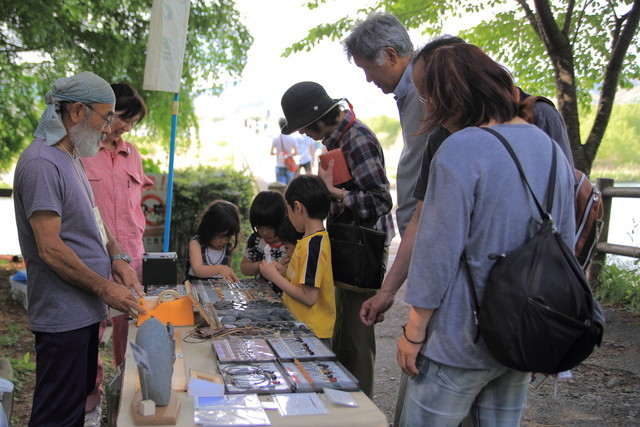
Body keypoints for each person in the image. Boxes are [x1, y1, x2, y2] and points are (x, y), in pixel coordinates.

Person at [396, 42, 576, 426]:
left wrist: (414, 332)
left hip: (459, 341)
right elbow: (565, 242)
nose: (428, 108)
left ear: (452, 97)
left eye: (430, 97)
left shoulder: (461, 149)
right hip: (519, 333)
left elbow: (436, 252)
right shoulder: (548, 146)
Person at [13, 71, 146, 427]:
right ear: (76, 112)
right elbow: (50, 248)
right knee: (56, 415)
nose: (107, 129)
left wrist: (117, 255)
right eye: (105, 118)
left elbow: (94, 216)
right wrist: (105, 287)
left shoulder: (70, 156)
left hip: (84, 311)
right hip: (62, 317)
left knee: (75, 408)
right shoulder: (41, 163)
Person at [280, 81, 394, 397]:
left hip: (362, 251)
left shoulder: (358, 139)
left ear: (319, 117)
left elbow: (381, 202)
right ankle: (339, 402)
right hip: (343, 245)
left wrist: (335, 194)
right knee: (339, 327)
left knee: (356, 337)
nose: (303, 134)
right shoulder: (334, 141)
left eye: (304, 127)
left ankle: (360, 411)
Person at [79, 82, 153, 424]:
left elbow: (135, 202)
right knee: (91, 329)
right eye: (124, 118)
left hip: (131, 254)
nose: (126, 127)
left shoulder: (132, 153)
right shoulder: (81, 151)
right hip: (93, 255)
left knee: (132, 325)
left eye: (133, 122)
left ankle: (128, 388)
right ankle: (89, 398)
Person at [343, 12, 428, 237]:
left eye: (368, 68)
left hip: (429, 229)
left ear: (391, 55)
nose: (368, 79)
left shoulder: (424, 92)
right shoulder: (408, 94)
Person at [259, 175, 335, 345]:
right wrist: (284, 272)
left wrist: (275, 277)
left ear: (297, 207)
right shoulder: (308, 240)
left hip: (313, 332)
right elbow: (307, 279)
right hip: (304, 326)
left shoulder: (313, 245)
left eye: (288, 210)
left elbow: (309, 297)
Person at [240, 190, 288, 293]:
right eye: (259, 227)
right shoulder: (255, 240)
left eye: (270, 228)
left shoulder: (291, 241)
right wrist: (262, 265)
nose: (264, 233)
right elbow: (244, 268)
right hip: (261, 297)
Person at [185, 200, 241, 283]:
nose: (224, 241)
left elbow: (226, 273)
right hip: (194, 290)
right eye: (221, 236)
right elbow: (198, 270)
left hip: (218, 292)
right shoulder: (196, 244)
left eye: (229, 236)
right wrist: (220, 268)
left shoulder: (228, 248)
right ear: (209, 230)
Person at [270, 117, 298, 184]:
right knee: (289, 187)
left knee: (281, 188)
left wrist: (280, 154)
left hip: (279, 165)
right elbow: (296, 152)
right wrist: (288, 154)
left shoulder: (275, 139)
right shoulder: (292, 139)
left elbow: (271, 153)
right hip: (289, 165)